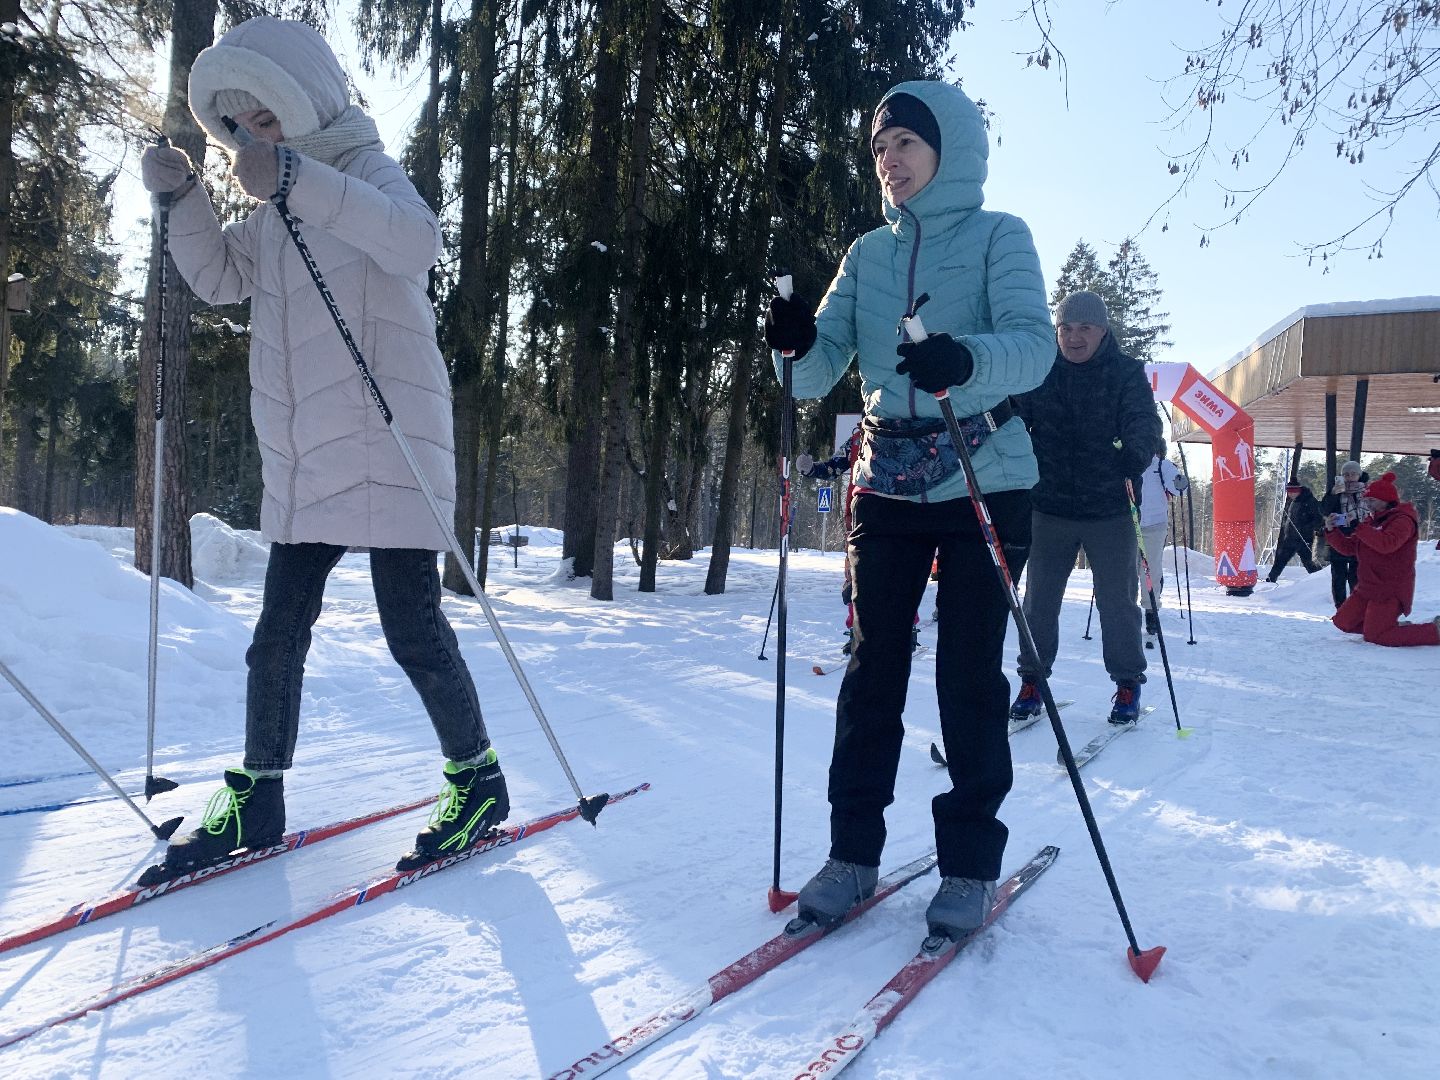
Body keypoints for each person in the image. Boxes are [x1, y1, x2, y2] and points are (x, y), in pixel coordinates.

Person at [138, 16, 507, 877]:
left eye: (269, 122)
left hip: (393, 441)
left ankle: (479, 778)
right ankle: (257, 796)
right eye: (242, 129)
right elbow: (222, 280)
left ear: (305, 107)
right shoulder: (269, 217)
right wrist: (183, 197)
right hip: (308, 457)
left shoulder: (363, 169)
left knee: (411, 629)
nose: (256, 140)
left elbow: (417, 240)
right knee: (275, 636)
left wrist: (296, 178)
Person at [763, 82, 1053, 940]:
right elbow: (814, 375)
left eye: (904, 143)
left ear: (948, 149)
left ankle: (968, 866)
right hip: (887, 480)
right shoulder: (867, 255)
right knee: (871, 666)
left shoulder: (1004, 236)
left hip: (985, 476)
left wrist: (963, 360)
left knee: (968, 673)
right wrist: (792, 340)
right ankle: (851, 853)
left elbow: (1034, 350)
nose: (888, 160)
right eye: (879, 147)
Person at [1009, 291, 1163, 726]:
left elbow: (1143, 421)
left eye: (1084, 328)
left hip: (1109, 506)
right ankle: (1033, 680)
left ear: (1102, 331)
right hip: (1049, 504)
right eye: (1066, 328)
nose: (1074, 338)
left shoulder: (1126, 373)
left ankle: (1127, 683)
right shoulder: (1041, 371)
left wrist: (1137, 451)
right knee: (1039, 601)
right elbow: (1012, 417)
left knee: (1118, 602)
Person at [1324, 472, 1439, 647]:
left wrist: (1359, 527)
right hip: (1368, 587)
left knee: (1377, 637)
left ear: (1386, 500)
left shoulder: (1403, 520)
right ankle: (1386, 626)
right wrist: (1332, 531)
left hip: (1389, 589)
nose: (1368, 505)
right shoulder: (1372, 522)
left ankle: (1434, 632)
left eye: (1372, 501)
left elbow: (1387, 544)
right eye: (1367, 501)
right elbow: (1349, 549)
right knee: (1343, 621)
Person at [1136, 440, 1188, 648]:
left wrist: (1179, 482)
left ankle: (1151, 611)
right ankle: (1126, 612)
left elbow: (1177, 488)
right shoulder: (1129, 460)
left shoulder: (1161, 466)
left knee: (1150, 570)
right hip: (1127, 522)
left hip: (1153, 525)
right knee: (1127, 569)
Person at [1319, 460, 1367, 608]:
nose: (1349, 477)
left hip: (1359, 540)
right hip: (1338, 539)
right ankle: (1341, 609)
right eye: (1346, 474)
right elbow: (1324, 510)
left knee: (1356, 578)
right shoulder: (1336, 492)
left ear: (1359, 475)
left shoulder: (1367, 492)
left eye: (1353, 474)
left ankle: (1356, 608)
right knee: (1338, 578)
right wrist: (1333, 494)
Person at [1265, 481, 1323, 582]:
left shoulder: (1309, 501)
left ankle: (1319, 579)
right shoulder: (1291, 501)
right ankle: (1271, 578)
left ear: (1299, 490)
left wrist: (1307, 528)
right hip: (1290, 537)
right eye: (1289, 491)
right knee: (1281, 559)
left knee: (1308, 562)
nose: (1291, 494)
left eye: (1293, 491)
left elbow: (1318, 519)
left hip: (1304, 538)